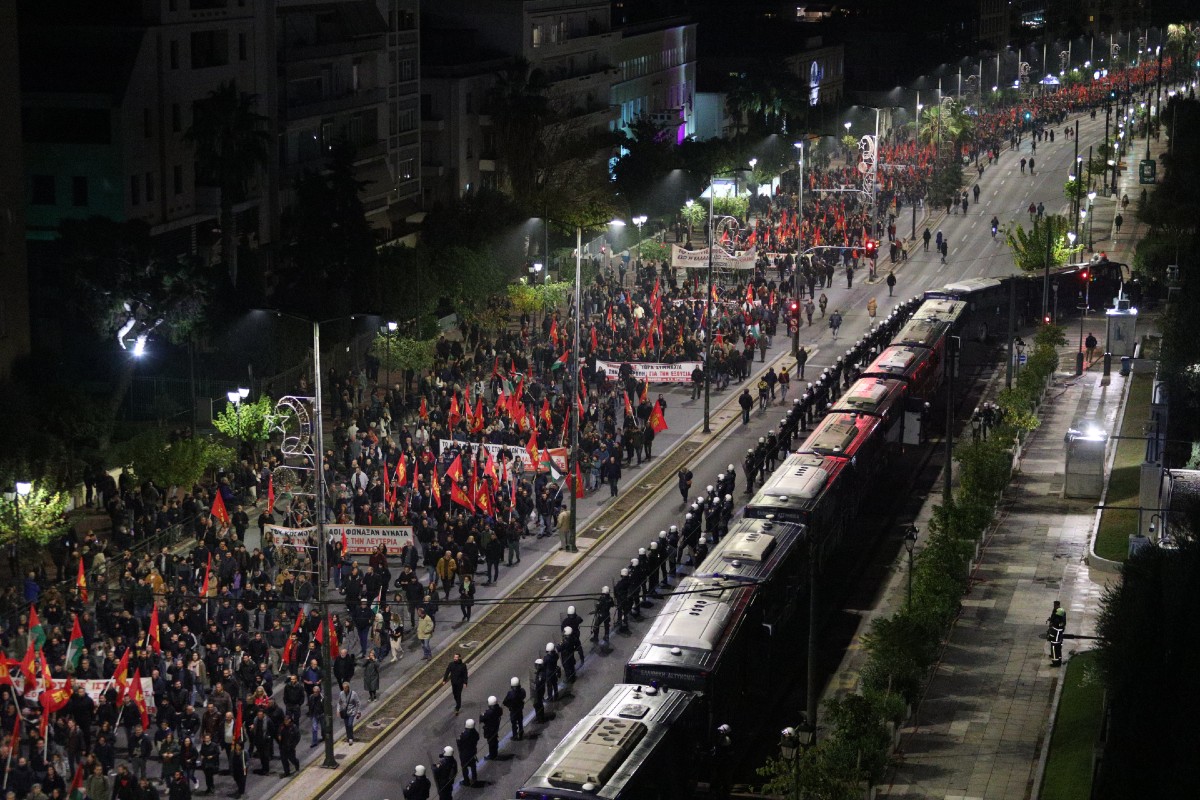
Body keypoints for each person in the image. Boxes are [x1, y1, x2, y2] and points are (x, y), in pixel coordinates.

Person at [457, 719, 480, 787]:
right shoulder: (475, 733)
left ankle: (466, 781)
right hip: (472, 751)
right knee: (473, 766)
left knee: (464, 767)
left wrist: (458, 741)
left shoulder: (464, 735)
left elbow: (460, 744)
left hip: (465, 754)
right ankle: (474, 779)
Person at [1046, 600, 1066, 666]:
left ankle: (1055, 663)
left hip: (1055, 639)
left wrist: (1050, 636)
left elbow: (1055, 629)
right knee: (1058, 650)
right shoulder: (1060, 616)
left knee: (1055, 650)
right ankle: (1059, 661)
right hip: (1058, 638)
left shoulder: (1057, 620)